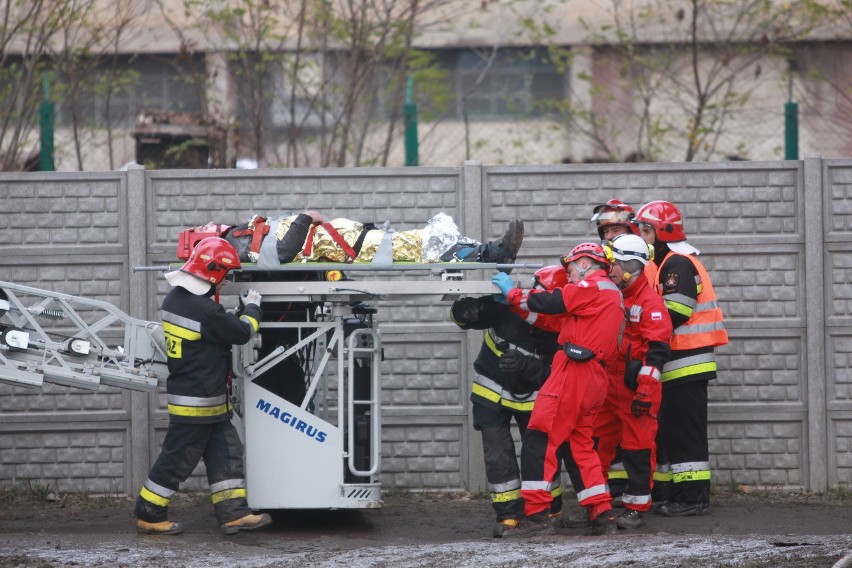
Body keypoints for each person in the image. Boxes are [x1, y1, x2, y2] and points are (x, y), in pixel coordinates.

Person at [134, 237, 273, 536]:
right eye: (225, 276)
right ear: (214, 274)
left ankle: (233, 513)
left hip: (207, 399)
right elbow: (241, 332)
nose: (225, 283)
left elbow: (213, 330)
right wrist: (253, 308)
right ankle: (149, 512)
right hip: (197, 402)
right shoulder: (207, 312)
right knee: (176, 460)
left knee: (226, 451)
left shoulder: (176, 300)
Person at [491, 242, 625, 537]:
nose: (570, 275)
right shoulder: (608, 294)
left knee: (540, 439)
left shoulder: (593, 286)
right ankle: (601, 512)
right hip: (594, 376)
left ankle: (538, 517)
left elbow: (552, 303)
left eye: (571, 269)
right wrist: (517, 305)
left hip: (574, 372)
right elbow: (553, 322)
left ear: (586, 263)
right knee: (581, 446)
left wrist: (514, 293)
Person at [451, 266, 565, 537]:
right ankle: (508, 515)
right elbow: (466, 318)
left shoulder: (564, 325)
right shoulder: (511, 304)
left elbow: (560, 371)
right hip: (491, 391)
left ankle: (550, 509)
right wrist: (463, 310)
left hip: (537, 395)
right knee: (497, 452)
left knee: (540, 454)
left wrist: (527, 365)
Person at [632, 200, 728, 517]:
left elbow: (677, 311)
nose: (641, 236)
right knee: (675, 433)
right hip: (678, 364)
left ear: (661, 233)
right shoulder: (663, 264)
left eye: (645, 230)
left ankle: (693, 499)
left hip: (689, 362)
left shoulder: (678, 264)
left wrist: (640, 328)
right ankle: (679, 494)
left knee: (687, 434)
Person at [593, 234, 672, 530]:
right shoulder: (611, 293)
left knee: (637, 448)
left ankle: (636, 508)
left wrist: (643, 392)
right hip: (607, 386)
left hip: (635, 390)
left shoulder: (648, 302)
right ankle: (597, 506)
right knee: (596, 444)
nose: (608, 268)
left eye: (613, 263)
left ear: (630, 266)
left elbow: (657, 352)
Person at [183, 211, 524, 267]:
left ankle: (491, 250)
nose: (210, 221)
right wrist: (306, 217)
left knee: (421, 240)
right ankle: (492, 251)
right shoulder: (233, 245)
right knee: (423, 244)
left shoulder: (236, 238)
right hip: (343, 245)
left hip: (342, 239)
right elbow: (283, 251)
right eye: (205, 225)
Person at [590, 198, 640, 505]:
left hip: (631, 365)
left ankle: (636, 497)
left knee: (634, 436)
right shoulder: (598, 264)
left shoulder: (637, 264)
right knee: (603, 433)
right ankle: (609, 495)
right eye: (606, 230)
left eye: (617, 229)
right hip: (604, 364)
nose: (611, 236)